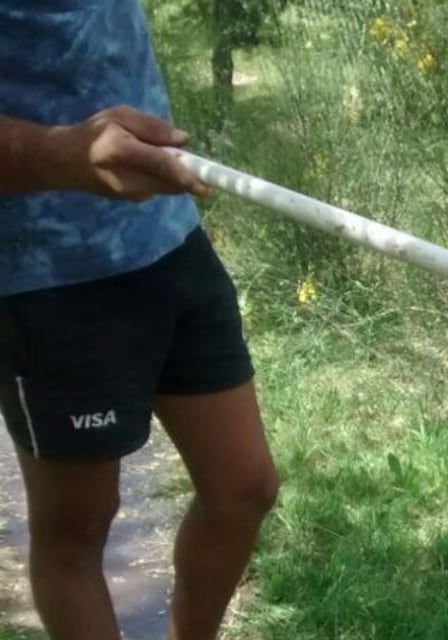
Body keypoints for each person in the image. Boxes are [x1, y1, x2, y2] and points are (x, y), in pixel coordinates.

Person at [0, 2, 280, 639]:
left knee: (244, 488)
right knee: (77, 530)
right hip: (47, 275)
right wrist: (63, 153)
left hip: (169, 237)